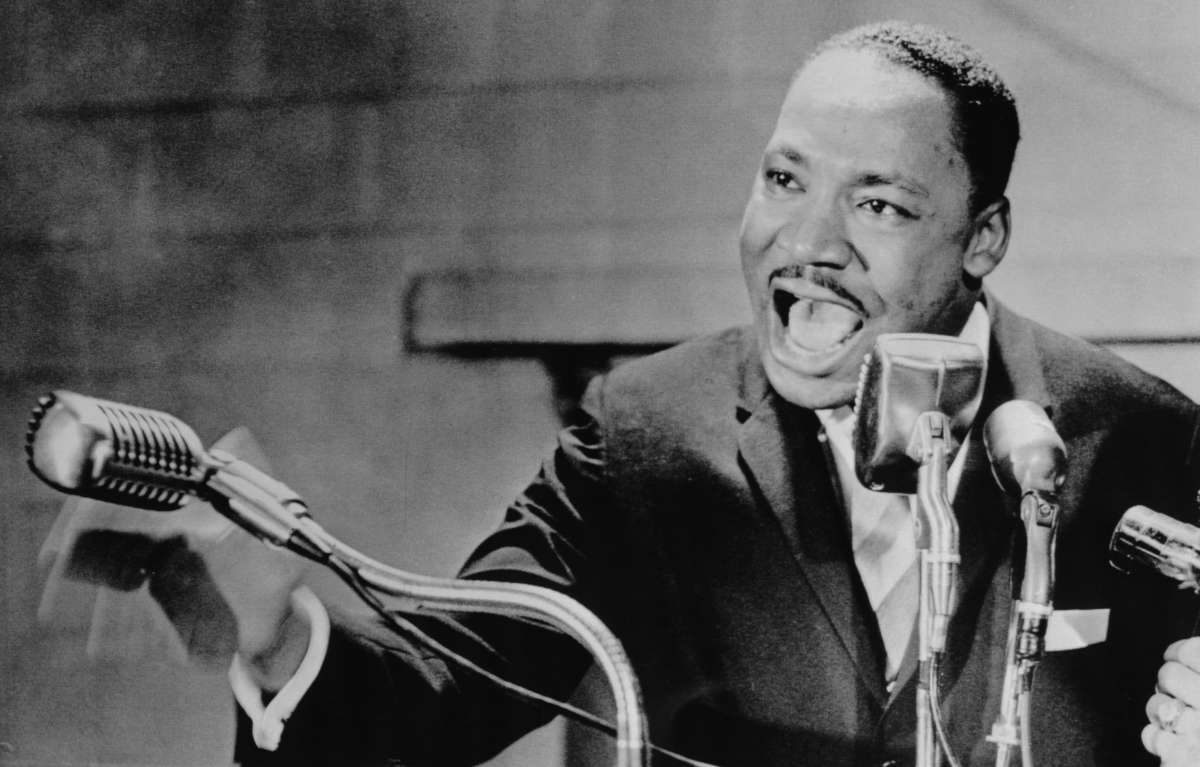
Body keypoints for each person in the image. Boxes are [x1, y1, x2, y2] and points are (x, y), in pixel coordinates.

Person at [43, 20, 1200, 767]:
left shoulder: (1139, 436)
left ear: (984, 236)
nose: (806, 244)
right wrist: (274, 630)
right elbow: (439, 693)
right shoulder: (648, 433)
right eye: (784, 180)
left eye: (879, 205)